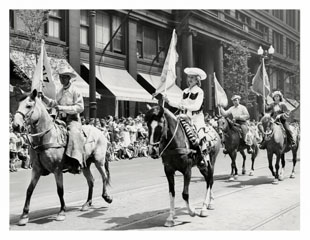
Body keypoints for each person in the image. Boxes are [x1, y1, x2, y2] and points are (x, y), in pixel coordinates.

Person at [163, 67, 218, 163]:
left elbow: (196, 106)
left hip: (196, 118)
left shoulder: (200, 91)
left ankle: (203, 156)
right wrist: (168, 101)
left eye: (192, 77)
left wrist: (183, 106)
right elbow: (179, 104)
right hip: (184, 116)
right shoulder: (185, 91)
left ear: (197, 80)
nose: (190, 79)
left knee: (200, 134)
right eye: (189, 77)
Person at [41, 66, 85, 173]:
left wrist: (63, 108)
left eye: (64, 77)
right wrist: (44, 98)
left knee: (73, 133)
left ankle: (75, 161)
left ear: (69, 78)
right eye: (60, 77)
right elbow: (55, 104)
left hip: (72, 119)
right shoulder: (59, 91)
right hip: (60, 119)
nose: (62, 79)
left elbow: (80, 107)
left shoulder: (75, 90)